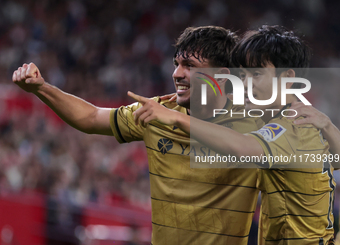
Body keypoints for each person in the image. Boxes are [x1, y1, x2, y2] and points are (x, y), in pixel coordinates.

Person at [13, 26, 262, 245]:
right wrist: (41, 88)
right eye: (176, 64)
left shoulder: (252, 123)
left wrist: (178, 119)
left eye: (190, 66)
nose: (176, 74)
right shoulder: (156, 111)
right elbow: (90, 118)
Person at [129, 25, 338, 244]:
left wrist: (177, 118)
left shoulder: (289, 127)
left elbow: (245, 148)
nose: (244, 83)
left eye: (255, 74)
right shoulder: (308, 120)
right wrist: (329, 126)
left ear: (288, 77)